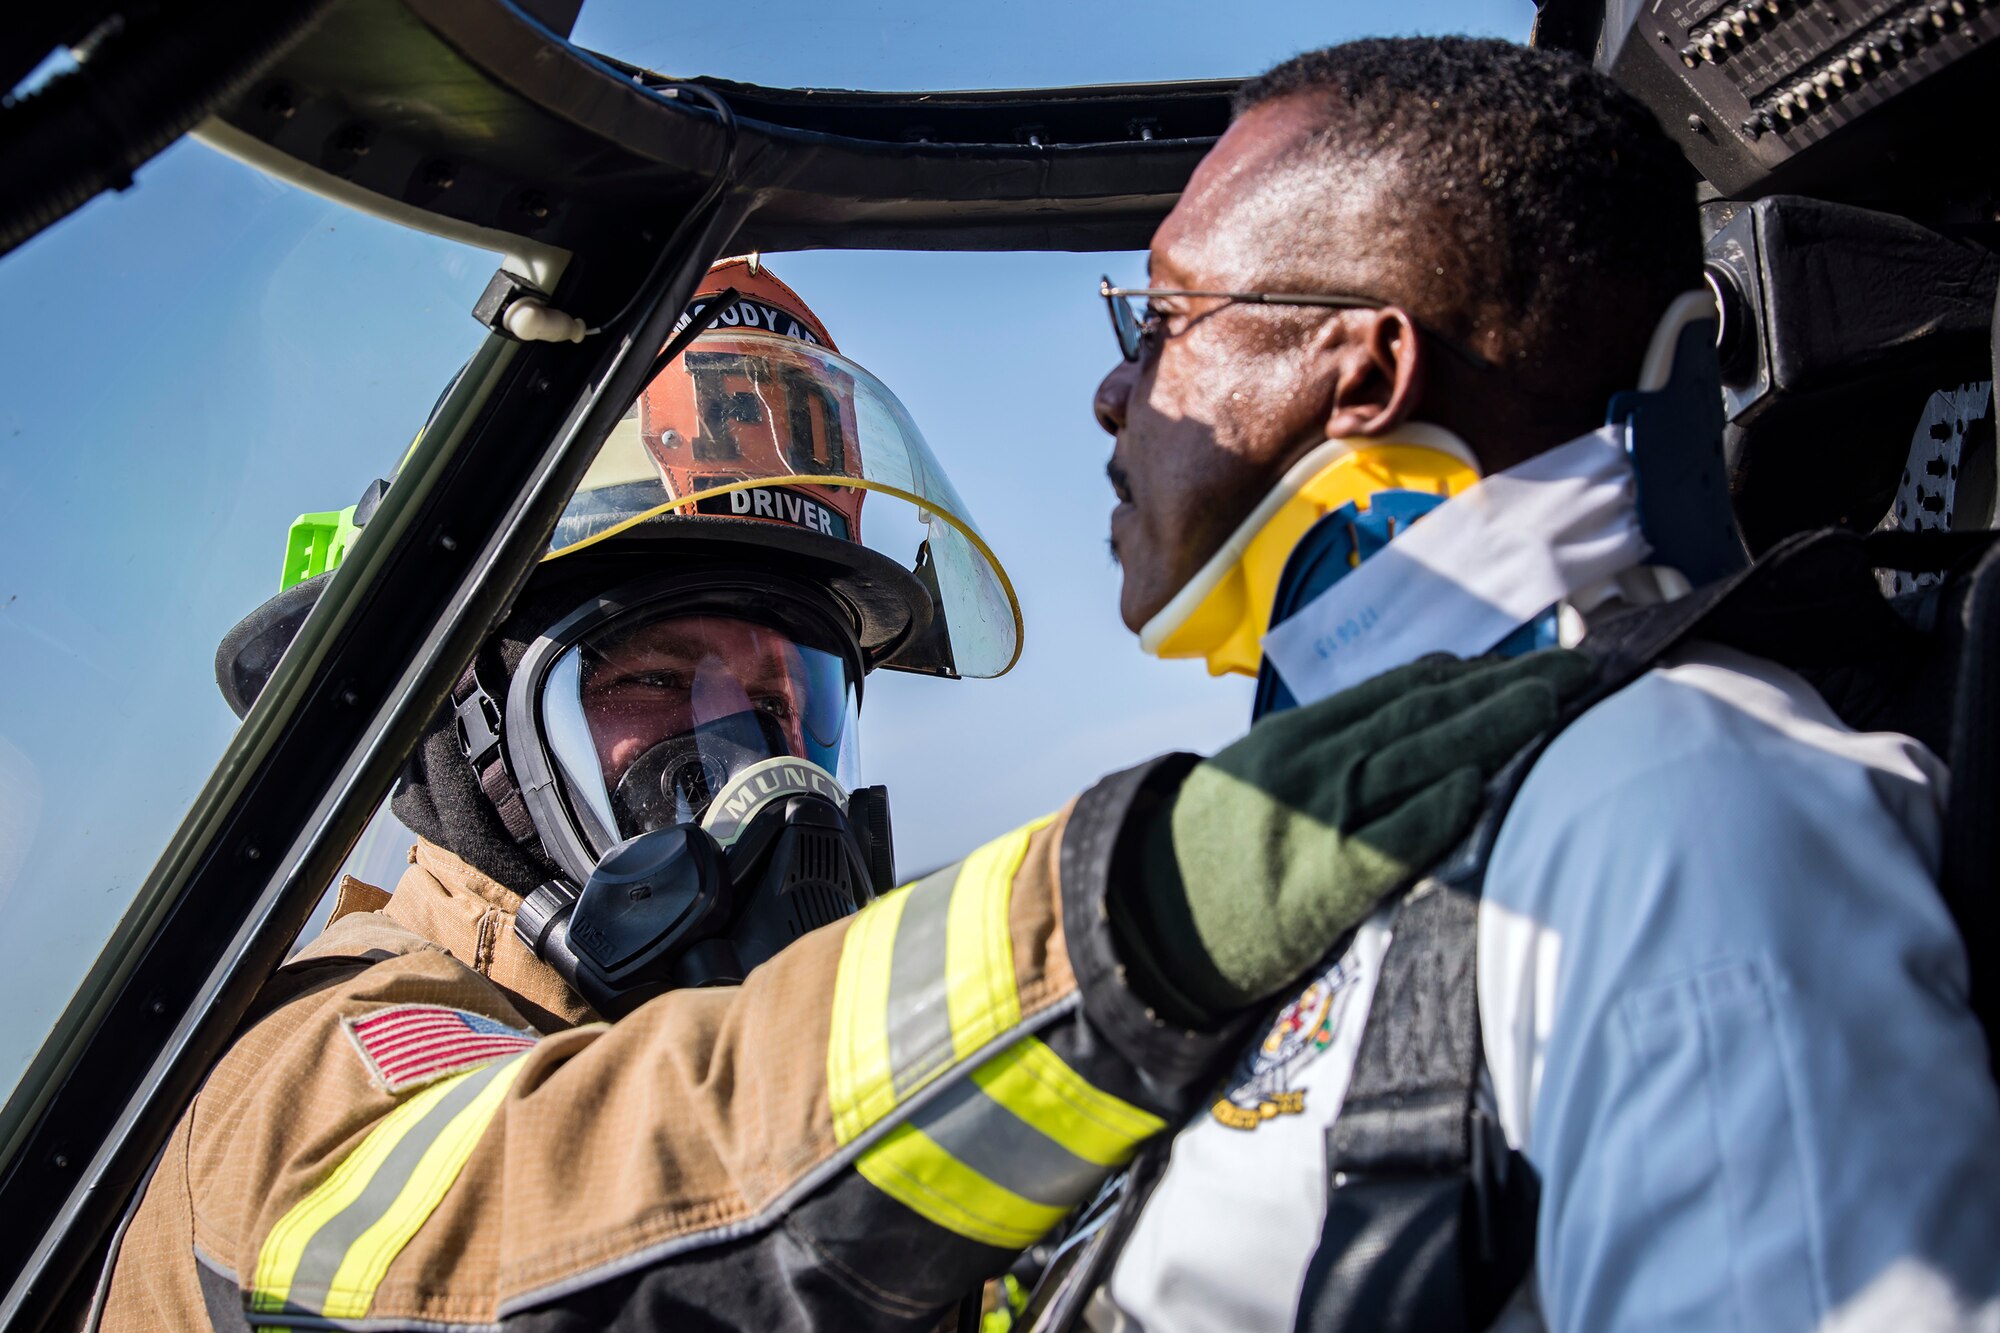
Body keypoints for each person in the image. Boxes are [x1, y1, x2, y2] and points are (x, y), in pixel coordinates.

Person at [101, 257, 1584, 1330]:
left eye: (785, 702)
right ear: (474, 742)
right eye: (652, 683)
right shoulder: (325, 1058)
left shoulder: (745, 1083)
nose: (760, 777)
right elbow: (571, 1208)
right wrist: (1125, 912)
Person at [1078, 36, 2000, 1333]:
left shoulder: (1678, 817)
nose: (1115, 391)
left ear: (1365, 370)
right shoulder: (1383, 815)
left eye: (1163, 320)